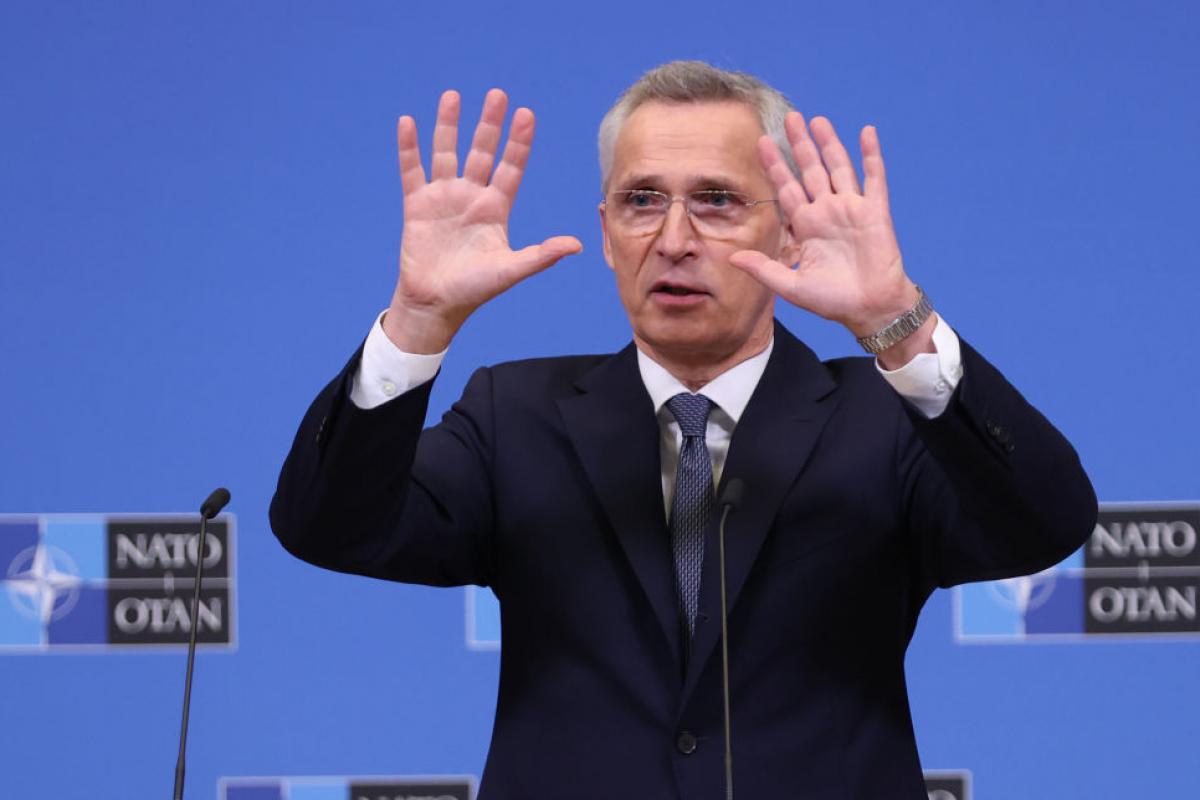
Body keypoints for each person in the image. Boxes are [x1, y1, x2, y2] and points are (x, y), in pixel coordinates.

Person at [271, 61, 1096, 799]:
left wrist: (897, 323)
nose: (673, 241)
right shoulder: (512, 414)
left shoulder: (884, 418)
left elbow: (1045, 523)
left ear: (790, 229)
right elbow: (328, 527)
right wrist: (417, 322)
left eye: (717, 201)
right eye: (642, 201)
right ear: (606, 232)